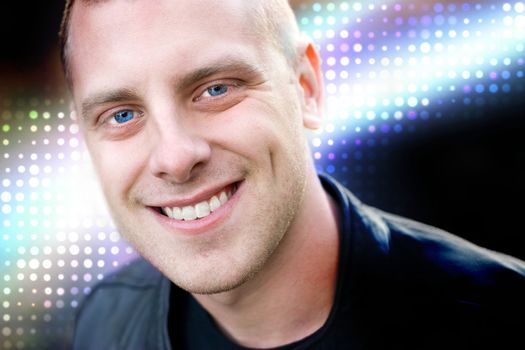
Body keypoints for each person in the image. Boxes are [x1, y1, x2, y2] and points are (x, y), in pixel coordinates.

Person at [60, 0, 525, 349]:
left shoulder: (501, 317)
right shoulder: (105, 321)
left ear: (306, 88)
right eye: (121, 116)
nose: (175, 157)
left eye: (216, 89)